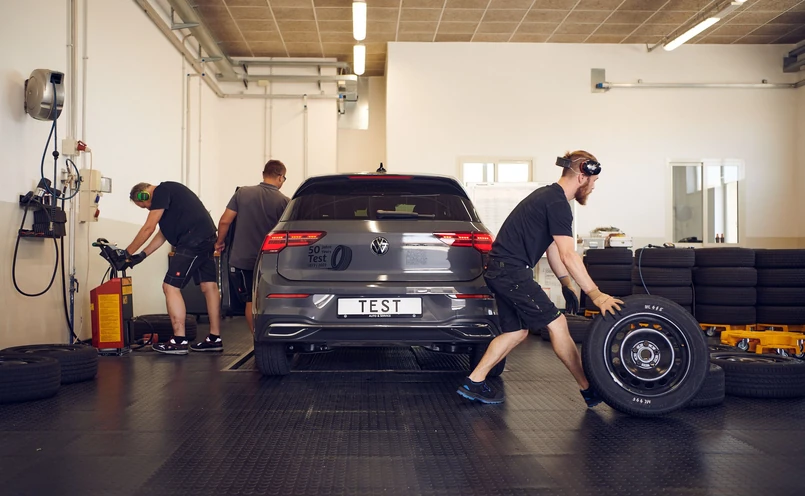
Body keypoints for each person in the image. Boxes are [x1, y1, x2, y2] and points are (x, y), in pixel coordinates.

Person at [457, 150, 624, 405]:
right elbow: (569, 254)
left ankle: (474, 382)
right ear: (582, 176)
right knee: (558, 324)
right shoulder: (557, 203)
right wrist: (596, 294)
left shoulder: (549, 197)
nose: (593, 187)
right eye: (593, 181)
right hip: (511, 271)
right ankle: (588, 389)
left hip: (501, 269)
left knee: (516, 332)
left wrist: (566, 283)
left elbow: (553, 248)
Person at [125, 181, 223, 354]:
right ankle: (215, 338)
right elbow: (161, 234)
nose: (148, 209)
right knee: (209, 286)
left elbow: (148, 228)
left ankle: (179, 341)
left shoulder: (161, 191)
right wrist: (141, 255)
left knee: (170, 287)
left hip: (193, 241)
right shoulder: (170, 199)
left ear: (144, 194)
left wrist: (126, 253)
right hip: (206, 238)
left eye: (144, 205)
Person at [215, 160, 290, 334]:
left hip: (242, 260)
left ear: (264, 174)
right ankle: (269, 339)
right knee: (269, 300)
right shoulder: (284, 201)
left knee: (250, 301)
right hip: (271, 261)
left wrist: (220, 242)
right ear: (280, 177)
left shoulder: (242, 193)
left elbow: (225, 221)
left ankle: (257, 339)